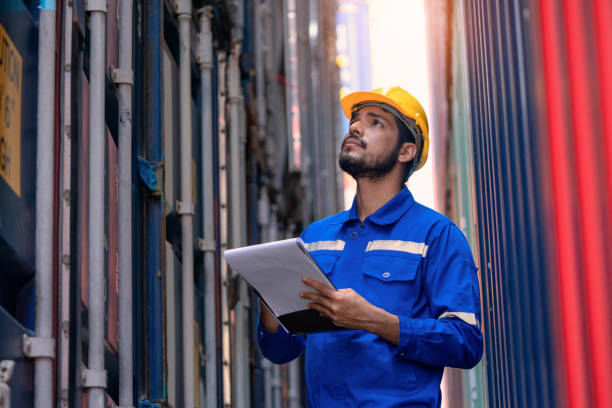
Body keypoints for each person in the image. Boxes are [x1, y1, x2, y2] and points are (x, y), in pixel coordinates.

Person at [257, 87, 483, 407]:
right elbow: (281, 351)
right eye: (355, 120)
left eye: (375, 122)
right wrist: (270, 305)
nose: (355, 127)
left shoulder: (436, 236)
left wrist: (373, 320)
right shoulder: (315, 237)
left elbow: (466, 343)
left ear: (405, 151)